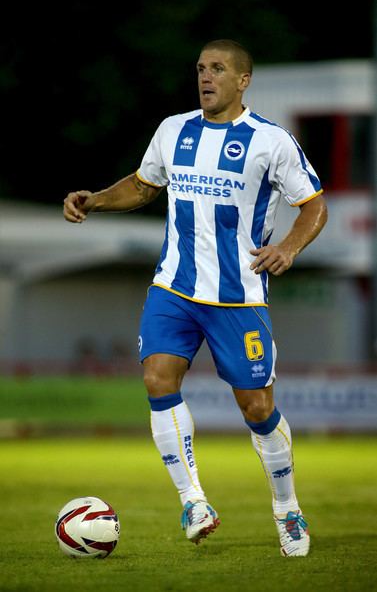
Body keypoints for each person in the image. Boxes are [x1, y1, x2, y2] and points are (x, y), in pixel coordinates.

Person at [64, 39, 328, 557]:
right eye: (201, 68)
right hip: (174, 287)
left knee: (257, 408)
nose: (206, 77)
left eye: (219, 68)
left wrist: (289, 248)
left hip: (239, 296)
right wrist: (94, 199)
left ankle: (287, 509)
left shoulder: (270, 141)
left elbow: (314, 207)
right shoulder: (173, 129)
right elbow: (144, 186)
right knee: (158, 378)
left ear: (243, 80)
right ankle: (193, 501)